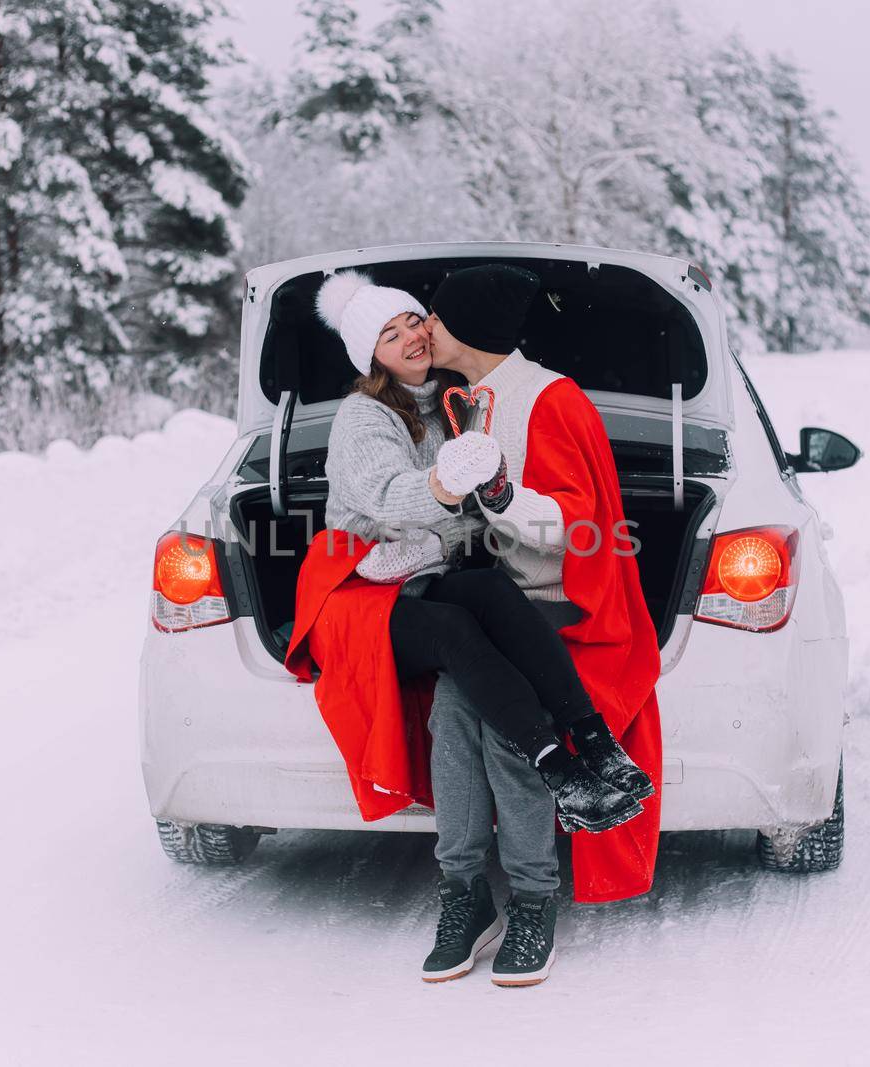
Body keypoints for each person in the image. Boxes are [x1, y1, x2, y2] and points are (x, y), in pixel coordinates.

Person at [283, 271, 649, 838]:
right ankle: (559, 770)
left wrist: (434, 542)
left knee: (492, 591)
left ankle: (597, 745)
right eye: (389, 335)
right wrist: (441, 489)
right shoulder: (363, 416)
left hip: (416, 572)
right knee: (455, 630)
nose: (412, 337)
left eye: (413, 320)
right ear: (370, 359)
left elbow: (475, 517)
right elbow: (385, 498)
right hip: (352, 588)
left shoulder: (450, 406)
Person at [407, 263, 667, 987]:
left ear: (473, 328)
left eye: (436, 314)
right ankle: (464, 893)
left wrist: (499, 493)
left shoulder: (548, 400)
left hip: (562, 608)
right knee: (453, 714)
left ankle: (532, 899)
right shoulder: (463, 398)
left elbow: (576, 528)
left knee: (504, 722)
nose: (426, 327)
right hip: (490, 600)